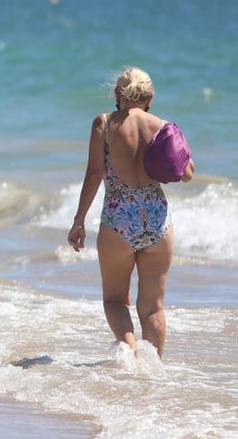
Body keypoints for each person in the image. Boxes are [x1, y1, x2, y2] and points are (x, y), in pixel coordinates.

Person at [68, 67, 195, 359]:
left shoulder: (104, 124)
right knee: (153, 306)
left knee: (115, 299)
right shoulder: (164, 127)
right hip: (158, 222)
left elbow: (94, 173)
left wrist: (79, 221)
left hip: (118, 221)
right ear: (149, 97)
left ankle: (131, 354)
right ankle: (153, 372)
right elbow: (187, 174)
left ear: (117, 95)